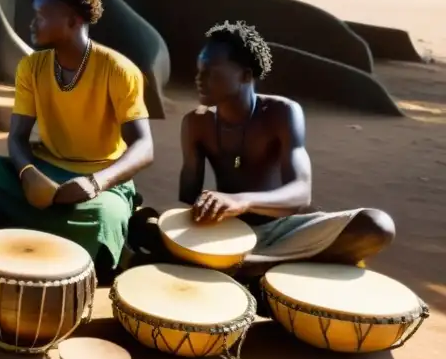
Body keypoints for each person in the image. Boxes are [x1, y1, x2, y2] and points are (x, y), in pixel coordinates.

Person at [131, 21, 394, 272]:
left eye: (211, 71)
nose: (199, 78)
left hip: (284, 230)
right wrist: (202, 210)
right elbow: (189, 197)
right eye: (199, 70)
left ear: (246, 75)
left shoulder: (282, 113)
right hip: (225, 232)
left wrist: (241, 201)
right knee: (143, 225)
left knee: (376, 225)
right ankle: (251, 265)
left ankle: (244, 266)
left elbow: (301, 194)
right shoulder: (195, 123)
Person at [0, 0, 155, 274]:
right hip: (47, 171)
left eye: (41, 15)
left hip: (99, 180)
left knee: (105, 216)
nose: (32, 23)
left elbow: (144, 147)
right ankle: (55, 231)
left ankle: (30, 231)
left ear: (74, 21)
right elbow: (18, 136)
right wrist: (27, 171)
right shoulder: (31, 67)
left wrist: (95, 182)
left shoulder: (118, 69)